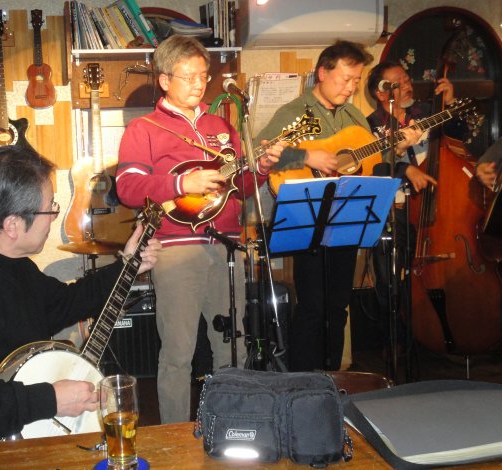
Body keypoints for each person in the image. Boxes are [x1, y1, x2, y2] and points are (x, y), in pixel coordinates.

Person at [0, 145, 160, 469]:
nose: (54, 216)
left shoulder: (13, 265)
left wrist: (127, 265)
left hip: (33, 434)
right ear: (12, 225)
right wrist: (51, 399)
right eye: (49, 208)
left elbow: (65, 303)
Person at [115, 35, 284, 423]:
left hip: (227, 247)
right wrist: (181, 184)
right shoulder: (144, 128)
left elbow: (239, 189)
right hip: (176, 248)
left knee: (232, 345)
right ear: (164, 80)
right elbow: (128, 188)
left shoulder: (221, 126)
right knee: (178, 352)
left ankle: (232, 425)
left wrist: (260, 169)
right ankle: (174, 435)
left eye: (203, 76)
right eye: (188, 76)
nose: (198, 83)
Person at [256, 41, 422, 372]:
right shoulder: (293, 113)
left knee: (337, 306)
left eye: (356, 81)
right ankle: (304, 380)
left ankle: (332, 377)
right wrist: (307, 156)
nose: (351, 88)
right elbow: (261, 154)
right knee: (312, 307)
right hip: (307, 217)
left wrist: (399, 148)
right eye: (346, 79)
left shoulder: (354, 117)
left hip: (346, 218)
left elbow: (372, 163)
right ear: (322, 73)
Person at [366, 61, 466, 366]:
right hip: (395, 210)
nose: (408, 84)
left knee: (431, 276)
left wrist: (450, 104)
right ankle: (396, 343)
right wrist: (403, 168)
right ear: (382, 93)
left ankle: (438, 336)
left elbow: (459, 137)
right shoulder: (370, 125)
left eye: (407, 78)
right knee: (389, 281)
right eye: (399, 82)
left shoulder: (427, 112)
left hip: (433, 209)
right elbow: (372, 166)